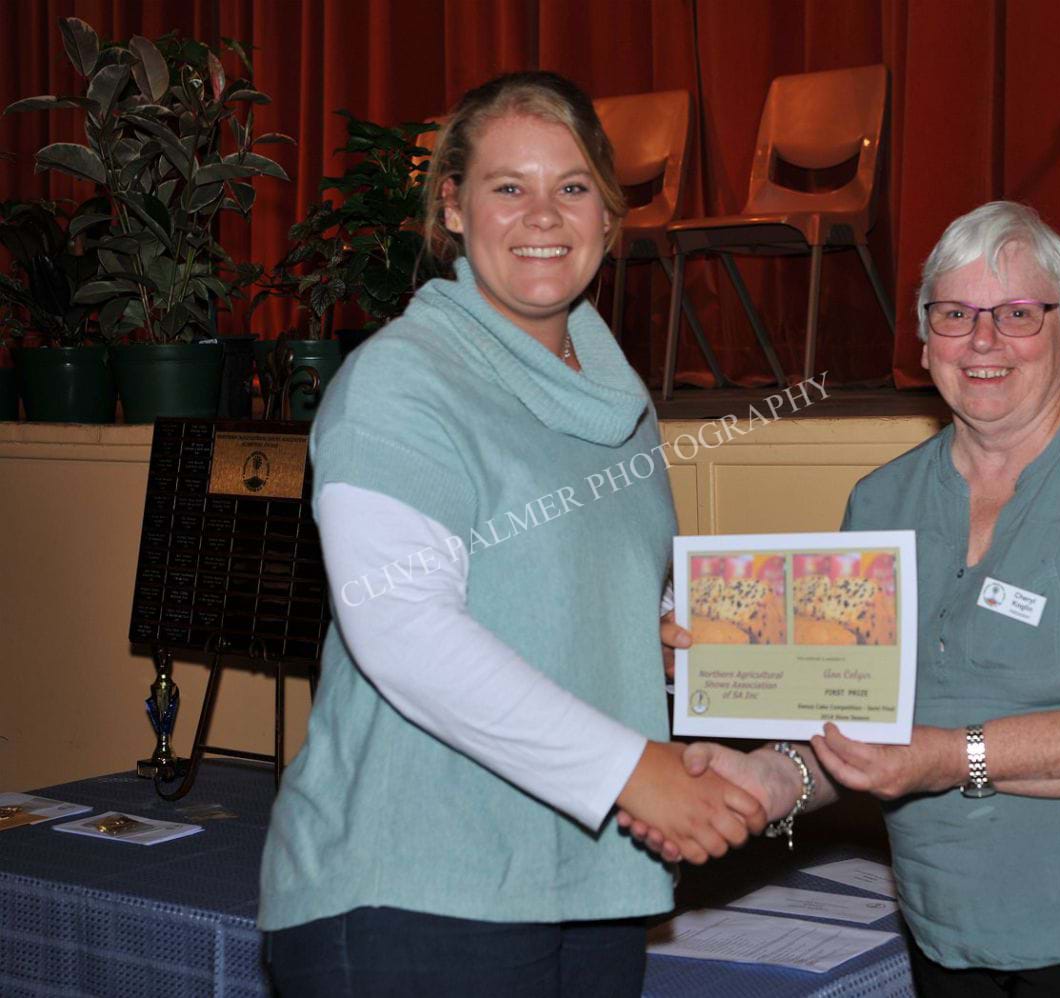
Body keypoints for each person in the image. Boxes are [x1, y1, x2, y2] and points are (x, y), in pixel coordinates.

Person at [630, 201, 1060, 997]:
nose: (983, 340)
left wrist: (949, 757)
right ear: (926, 343)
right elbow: (861, 727)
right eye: (955, 314)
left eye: (1018, 313)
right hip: (948, 929)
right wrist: (772, 779)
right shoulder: (881, 502)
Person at [258, 71, 766, 997]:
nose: (543, 215)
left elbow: (560, 596)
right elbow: (403, 629)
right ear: (453, 209)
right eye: (508, 186)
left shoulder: (619, 405)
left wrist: (651, 643)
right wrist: (632, 771)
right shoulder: (401, 381)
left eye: (572, 186)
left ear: (609, 215)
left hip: (592, 882)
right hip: (417, 890)